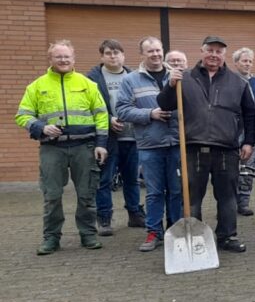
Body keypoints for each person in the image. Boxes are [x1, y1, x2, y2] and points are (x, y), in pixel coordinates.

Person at [157, 35, 255, 253]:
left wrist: (249, 142)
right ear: (202, 52)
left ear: (224, 55)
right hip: (193, 147)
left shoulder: (238, 82)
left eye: (219, 51)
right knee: (191, 198)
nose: (214, 55)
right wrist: (170, 86)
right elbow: (164, 104)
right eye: (210, 50)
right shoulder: (184, 78)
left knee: (228, 197)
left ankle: (227, 236)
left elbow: (250, 114)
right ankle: (195, 237)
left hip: (226, 149)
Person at [16, 40, 108, 255]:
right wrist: (41, 127)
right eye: (59, 57)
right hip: (52, 149)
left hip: (84, 147)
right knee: (52, 196)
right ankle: (51, 238)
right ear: (50, 59)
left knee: (86, 194)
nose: (63, 60)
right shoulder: (37, 86)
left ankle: (88, 234)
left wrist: (101, 144)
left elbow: (101, 115)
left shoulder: (87, 84)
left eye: (67, 56)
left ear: (73, 59)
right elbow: (22, 116)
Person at [117, 39, 184, 252]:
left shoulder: (177, 75)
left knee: (176, 191)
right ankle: (154, 231)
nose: (155, 54)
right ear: (142, 54)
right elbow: (122, 110)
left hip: (177, 143)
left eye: (158, 50)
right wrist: (150, 114)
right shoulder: (130, 80)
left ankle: (175, 229)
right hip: (150, 145)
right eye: (150, 51)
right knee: (154, 192)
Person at [86, 39, 143, 235]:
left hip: (132, 137)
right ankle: (104, 218)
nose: (113, 56)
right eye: (108, 53)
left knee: (132, 179)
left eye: (116, 52)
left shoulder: (134, 76)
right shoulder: (92, 79)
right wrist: (108, 119)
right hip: (107, 139)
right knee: (104, 180)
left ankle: (135, 214)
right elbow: (88, 106)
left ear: (123, 55)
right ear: (102, 56)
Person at [233, 47, 255, 217]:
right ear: (236, 63)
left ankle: (243, 202)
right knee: (231, 171)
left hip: (253, 133)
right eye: (244, 61)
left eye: (250, 61)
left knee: (247, 169)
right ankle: (229, 203)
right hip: (233, 132)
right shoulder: (229, 81)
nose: (248, 64)